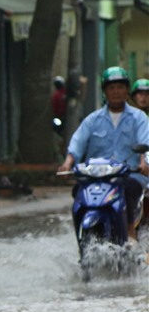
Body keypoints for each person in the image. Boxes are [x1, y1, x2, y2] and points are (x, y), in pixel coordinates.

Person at [58, 67, 149, 242]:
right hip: (96, 177)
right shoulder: (93, 119)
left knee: (129, 189)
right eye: (111, 88)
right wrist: (67, 163)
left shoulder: (139, 118)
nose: (116, 92)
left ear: (127, 90)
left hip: (129, 175)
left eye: (120, 87)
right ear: (105, 91)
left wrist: (144, 163)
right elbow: (77, 142)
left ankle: (130, 232)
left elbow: (147, 143)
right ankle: (80, 237)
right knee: (78, 190)